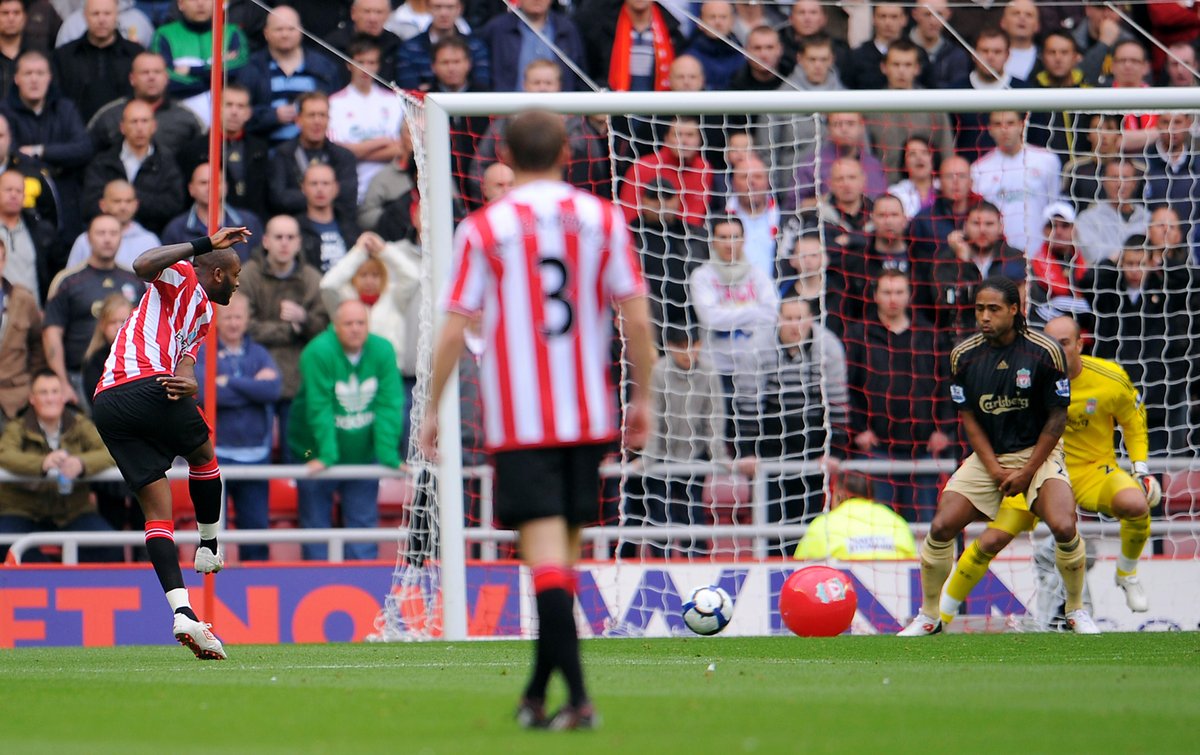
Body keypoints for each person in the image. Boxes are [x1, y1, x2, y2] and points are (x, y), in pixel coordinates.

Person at [418, 109, 656, 730]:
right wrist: (645, 400)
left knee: (546, 561)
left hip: (522, 420)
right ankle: (534, 695)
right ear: (568, 153)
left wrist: (432, 409)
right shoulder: (605, 217)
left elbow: (451, 330)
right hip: (589, 413)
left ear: (504, 152)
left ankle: (578, 701)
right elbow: (635, 317)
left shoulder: (484, 226)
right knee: (561, 562)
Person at [897, 275, 1099, 637]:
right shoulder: (963, 355)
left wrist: (1025, 473)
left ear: (1014, 310)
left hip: (1039, 453)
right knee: (942, 526)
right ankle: (929, 616)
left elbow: (1056, 418)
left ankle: (1075, 610)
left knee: (1065, 526)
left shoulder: (1044, 351)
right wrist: (992, 467)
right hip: (988, 457)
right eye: (979, 309)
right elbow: (969, 418)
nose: (984, 317)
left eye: (993, 309)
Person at [935, 316, 1159, 629]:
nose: (1056, 349)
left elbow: (1133, 421)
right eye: (1050, 343)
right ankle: (939, 616)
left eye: (1064, 343)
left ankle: (1126, 573)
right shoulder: (1026, 377)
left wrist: (1141, 468)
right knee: (991, 541)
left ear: (1080, 344)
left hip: (1092, 472)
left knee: (1136, 504)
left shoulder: (1109, 378)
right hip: (1036, 473)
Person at [90, 225, 251, 660]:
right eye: (235, 277)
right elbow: (141, 264)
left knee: (157, 511)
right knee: (204, 454)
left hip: (109, 404)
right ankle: (210, 545)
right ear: (218, 273)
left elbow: (186, 365)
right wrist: (204, 244)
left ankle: (183, 614)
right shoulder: (179, 272)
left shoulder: (203, 315)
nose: (238, 285)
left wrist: (190, 385)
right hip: (143, 383)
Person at [287, 298, 403, 561]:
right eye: (348, 323)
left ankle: (365, 589)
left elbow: (389, 405)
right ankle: (315, 582)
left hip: (361, 453)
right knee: (315, 528)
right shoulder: (317, 352)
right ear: (335, 326)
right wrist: (326, 455)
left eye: (360, 323)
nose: (355, 329)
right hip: (310, 449)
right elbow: (320, 407)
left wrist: (387, 454)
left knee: (362, 528)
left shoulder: (383, 350)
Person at [0, 369, 121, 563]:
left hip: (72, 510)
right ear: (32, 398)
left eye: (55, 392)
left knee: (111, 547)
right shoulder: (18, 426)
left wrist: (81, 463)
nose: (50, 399)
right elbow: (4, 454)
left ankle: (78, 589)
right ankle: (46, 578)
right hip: (23, 510)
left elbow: (109, 452)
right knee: (3, 542)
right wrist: (41, 464)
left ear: (63, 396)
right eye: (44, 393)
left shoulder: (79, 424)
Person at [194, 291, 281, 563]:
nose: (233, 323)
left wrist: (228, 382)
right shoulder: (203, 352)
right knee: (215, 534)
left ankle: (256, 582)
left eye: (239, 317)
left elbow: (273, 390)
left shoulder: (259, 353)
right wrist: (251, 388)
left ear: (247, 319)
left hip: (256, 455)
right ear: (218, 319)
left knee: (255, 530)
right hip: (217, 457)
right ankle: (218, 583)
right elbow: (206, 394)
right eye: (228, 317)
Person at [238, 214, 327, 458]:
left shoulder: (312, 279)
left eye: (290, 237)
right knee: (256, 458)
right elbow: (241, 326)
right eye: (278, 237)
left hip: (299, 383)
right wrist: (291, 329)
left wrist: (305, 319)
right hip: (255, 379)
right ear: (266, 241)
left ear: (299, 242)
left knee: (300, 456)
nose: (284, 243)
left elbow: (324, 330)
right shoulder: (247, 276)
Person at [43, 213, 144, 406]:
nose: (107, 238)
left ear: (121, 237)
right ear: (87, 238)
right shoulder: (67, 281)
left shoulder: (135, 281)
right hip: (76, 377)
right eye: (101, 233)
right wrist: (61, 383)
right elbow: (51, 334)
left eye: (113, 233)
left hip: (127, 377)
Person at [236, 5, 339, 146]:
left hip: (315, 151)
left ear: (301, 31)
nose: (285, 34)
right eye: (279, 29)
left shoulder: (325, 67)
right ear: (266, 33)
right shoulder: (252, 68)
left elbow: (338, 111)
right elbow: (238, 112)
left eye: (291, 29)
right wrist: (273, 116)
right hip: (266, 151)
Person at [81, 99, 184, 236]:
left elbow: (173, 204)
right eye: (134, 122)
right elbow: (89, 204)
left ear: (154, 126)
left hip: (154, 240)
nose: (139, 128)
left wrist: (128, 199)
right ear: (122, 127)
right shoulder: (103, 162)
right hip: (107, 237)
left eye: (144, 121)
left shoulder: (167, 163)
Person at [51, 0, 145, 123]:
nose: (101, 20)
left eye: (107, 13)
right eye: (95, 14)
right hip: (77, 131)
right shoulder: (64, 56)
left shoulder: (135, 54)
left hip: (125, 131)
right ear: (84, 16)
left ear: (117, 15)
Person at [792, 471, 917, 561]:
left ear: (839, 495)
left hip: (841, 591)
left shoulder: (823, 524)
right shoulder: (897, 521)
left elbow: (799, 567)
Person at [149, 0, 249, 100]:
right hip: (180, 107)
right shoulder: (164, 35)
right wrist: (210, 81)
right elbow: (164, 76)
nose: (200, 3)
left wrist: (191, 70)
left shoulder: (232, 32)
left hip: (224, 108)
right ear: (180, 4)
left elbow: (240, 67)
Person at [0, 235, 45, 430]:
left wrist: (31, 383)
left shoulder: (23, 299)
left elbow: (37, 345)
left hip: (16, 397)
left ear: (4, 260)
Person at [65, 179, 160, 269]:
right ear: (103, 205)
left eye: (128, 201)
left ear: (136, 205)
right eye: (117, 201)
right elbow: (72, 279)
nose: (123, 207)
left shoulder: (149, 241)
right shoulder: (84, 241)